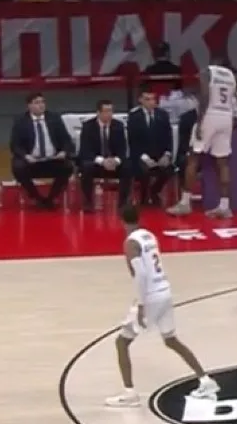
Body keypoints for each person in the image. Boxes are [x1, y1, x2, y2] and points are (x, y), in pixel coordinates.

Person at [106, 204, 219, 407]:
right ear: (138, 218)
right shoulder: (149, 236)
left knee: (121, 342)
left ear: (121, 221)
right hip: (165, 291)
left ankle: (129, 393)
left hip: (150, 297)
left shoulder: (130, 243)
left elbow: (141, 274)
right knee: (171, 340)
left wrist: (141, 305)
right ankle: (205, 380)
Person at [167, 62, 237, 218]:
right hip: (226, 116)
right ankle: (224, 206)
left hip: (210, 115)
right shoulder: (231, 75)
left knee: (193, 158)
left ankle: (185, 203)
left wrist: (200, 120)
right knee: (223, 162)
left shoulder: (207, 72)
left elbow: (205, 96)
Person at [10, 92, 75, 209]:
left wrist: (63, 152)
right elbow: (15, 145)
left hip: (53, 160)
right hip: (32, 161)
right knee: (18, 167)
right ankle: (36, 197)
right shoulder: (20, 121)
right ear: (29, 106)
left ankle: (52, 198)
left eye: (42, 102)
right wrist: (26, 156)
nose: (41, 105)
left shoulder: (54, 118)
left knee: (68, 166)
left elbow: (67, 141)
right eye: (37, 103)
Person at [77, 100, 132, 212]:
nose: (109, 114)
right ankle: (88, 202)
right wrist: (102, 161)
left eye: (111, 111)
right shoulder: (88, 126)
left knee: (127, 167)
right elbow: (85, 151)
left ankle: (122, 203)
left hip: (113, 163)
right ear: (98, 112)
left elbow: (122, 149)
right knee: (86, 167)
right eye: (106, 111)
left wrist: (115, 160)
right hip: (96, 162)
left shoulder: (118, 125)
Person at [127, 87, 175, 205]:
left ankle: (154, 191)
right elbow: (133, 141)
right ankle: (144, 196)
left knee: (169, 169)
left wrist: (166, 155)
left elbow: (168, 138)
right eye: (147, 99)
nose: (151, 102)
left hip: (160, 155)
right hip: (141, 156)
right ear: (140, 100)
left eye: (153, 99)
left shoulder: (163, 115)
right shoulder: (134, 117)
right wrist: (146, 159)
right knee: (143, 170)